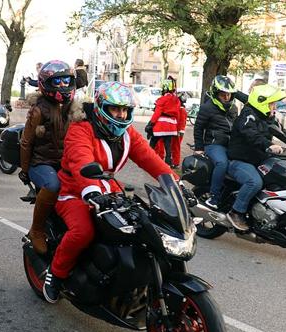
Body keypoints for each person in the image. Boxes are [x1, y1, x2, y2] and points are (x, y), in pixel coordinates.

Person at [41, 81, 176, 303]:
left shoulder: (126, 133)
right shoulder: (81, 129)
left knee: (141, 226)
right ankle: (55, 275)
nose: (121, 115)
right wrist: (92, 192)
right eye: (115, 109)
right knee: (83, 231)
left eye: (125, 109)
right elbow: (80, 161)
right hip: (75, 190)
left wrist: (174, 183)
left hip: (109, 189)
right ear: (102, 107)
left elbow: (150, 159)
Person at [227, 84, 286, 230]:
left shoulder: (268, 118)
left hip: (259, 158)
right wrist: (269, 144)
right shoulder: (248, 116)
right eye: (271, 104)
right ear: (262, 102)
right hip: (240, 160)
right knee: (253, 182)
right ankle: (236, 211)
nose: (274, 107)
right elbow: (251, 134)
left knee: (284, 176)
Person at [18, 60, 76, 256]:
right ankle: (37, 229)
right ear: (46, 83)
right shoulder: (38, 110)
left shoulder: (72, 107)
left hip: (64, 162)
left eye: (66, 80)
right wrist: (25, 171)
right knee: (53, 185)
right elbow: (26, 143)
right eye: (57, 82)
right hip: (41, 163)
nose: (63, 86)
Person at [192, 75, 243, 210]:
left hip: (230, 144)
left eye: (229, 95)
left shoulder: (233, 108)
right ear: (216, 93)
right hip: (214, 144)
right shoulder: (207, 107)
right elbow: (198, 128)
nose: (226, 98)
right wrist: (199, 147)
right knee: (222, 163)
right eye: (223, 94)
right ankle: (213, 198)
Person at [145, 78, 181, 166]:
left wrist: (151, 124)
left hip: (161, 125)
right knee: (168, 145)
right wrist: (178, 128)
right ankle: (168, 162)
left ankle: (148, 160)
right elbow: (177, 115)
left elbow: (157, 113)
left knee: (153, 142)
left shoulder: (162, 99)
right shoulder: (176, 100)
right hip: (171, 126)